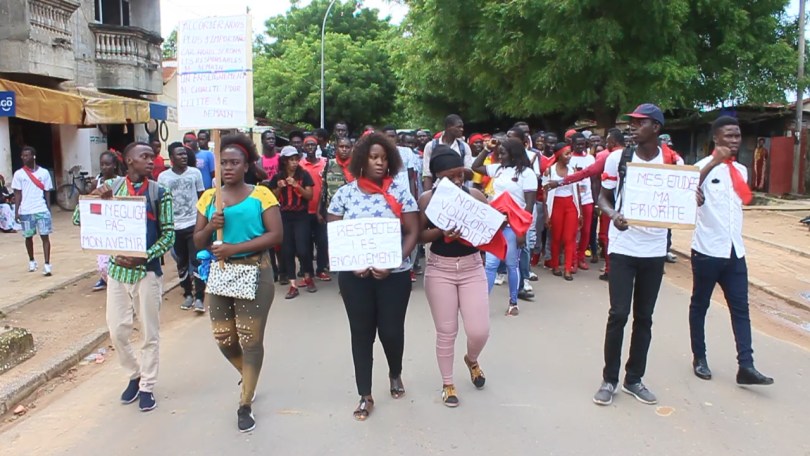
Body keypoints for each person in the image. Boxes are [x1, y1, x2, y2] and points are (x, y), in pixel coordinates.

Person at [73, 141, 175, 412]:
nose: (151, 161)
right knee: (117, 330)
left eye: (152, 157)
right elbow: (79, 219)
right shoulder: (114, 188)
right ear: (129, 161)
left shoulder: (159, 192)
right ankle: (134, 373)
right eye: (144, 157)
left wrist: (145, 254)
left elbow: (169, 234)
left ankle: (147, 386)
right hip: (118, 272)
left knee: (149, 333)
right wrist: (96, 197)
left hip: (147, 272)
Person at [193, 133, 283, 432]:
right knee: (223, 338)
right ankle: (248, 373)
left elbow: (275, 236)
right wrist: (211, 226)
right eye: (223, 163)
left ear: (246, 165)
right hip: (221, 273)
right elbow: (197, 241)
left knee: (250, 338)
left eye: (234, 162)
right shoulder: (209, 197)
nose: (228, 168)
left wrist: (234, 248)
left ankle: (245, 403)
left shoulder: (262, 195)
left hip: (256, 270)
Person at [326, 132, 419, 421]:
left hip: (394, 275)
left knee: (391, 331)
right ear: (361, 160)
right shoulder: (344, 194)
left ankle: (395, 371)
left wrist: (393, 263)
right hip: (355, 278)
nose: (380, 163)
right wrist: (349, 263)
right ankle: (364, 394)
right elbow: (335, 234)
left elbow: (413, 232)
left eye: (384, 158)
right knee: (361, 334)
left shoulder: (400, 193)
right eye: (373, 157)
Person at [593, 104, 669, 407]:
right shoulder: (618, 158)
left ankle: (634, 378)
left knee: (645, 317)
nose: (633, 127)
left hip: (654, 248)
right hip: (623, 247)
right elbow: (603, 196)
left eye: (640, 123)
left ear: (657, 128)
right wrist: (613, 215)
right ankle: (609, 379)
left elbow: (681, 196)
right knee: (619, 314)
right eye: (632, 123)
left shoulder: (672, 161)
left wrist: (694, 196)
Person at [689, 116, 773, 386]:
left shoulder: (742, 171)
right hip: (707, 250)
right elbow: (686, 191)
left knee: (741, 308)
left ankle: (746, 366)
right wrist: (713, 163)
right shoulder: (700, 168)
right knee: (700, 305)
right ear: (716, 138)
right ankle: (699, 358)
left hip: (735, 251)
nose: (735, 141)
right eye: (729, 136)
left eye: (737, 136)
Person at [418, 146, 490, 407]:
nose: (458, 180)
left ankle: (471, 359)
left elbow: (490, 230)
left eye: (460, 174)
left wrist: (498, 224)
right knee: (446, 331)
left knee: (479, 331)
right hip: (440, 269)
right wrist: (441, 230)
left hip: (472, 267)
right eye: (451, 176)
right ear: (437, 176)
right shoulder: (427, 199)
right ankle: (448, 383)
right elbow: (419, 237)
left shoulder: (475, 195)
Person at [472, 137, 536, 316]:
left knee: (510, 265)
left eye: (503, 153)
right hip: (496, 223)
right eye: (498, 152)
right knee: (491, 265)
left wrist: (522, 231)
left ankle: (513, 302)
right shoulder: (499, 169)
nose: (499, 156)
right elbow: (475, 167)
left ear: (514, 154)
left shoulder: (527, 174)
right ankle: (482, 304)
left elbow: (529, 207)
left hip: (513, 225)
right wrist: (487, 149)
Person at [159, 142, 206, 312]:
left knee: (197, 260)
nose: (184, 157)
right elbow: (162, 202)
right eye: (179, 154)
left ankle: (200, 297)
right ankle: (187, 294)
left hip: (194, 224)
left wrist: (204, 222)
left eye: (185, 154)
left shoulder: (195, 173)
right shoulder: (163, 177)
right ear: (171, 158)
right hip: (174, 226)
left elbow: (202, 198)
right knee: (182, 262)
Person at [267, 146, 316, 298]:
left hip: (301, 215)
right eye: (291, 160)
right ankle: (292, 285)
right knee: (286, 250)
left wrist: (296, 186)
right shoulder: (278, 177)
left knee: (303, 248)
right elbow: (273, 198)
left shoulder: (304, 175)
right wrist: (279, 189)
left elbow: (309, 196)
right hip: (284, 216)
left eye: (296, 159)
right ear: (285, 161)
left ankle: (308, 277)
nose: (294, 163)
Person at [12, 146, 54, 275]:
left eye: (27, 155)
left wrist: (48, 208)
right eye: (23, 156)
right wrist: (16, 211)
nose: (24, 158)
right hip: (26, 211)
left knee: (44, 236)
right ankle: (32, 260)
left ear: (33, 157)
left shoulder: (44, 173)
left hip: (41, 209)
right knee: (28, 237)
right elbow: (17, 194)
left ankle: (47, 264)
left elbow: (47, 192)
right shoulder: (19, 174)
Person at [543, 143, 581, 281]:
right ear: (559, 156)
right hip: (556, 205)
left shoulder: (573, 170)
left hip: (570, 204)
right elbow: (545, 193)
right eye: (567, 154)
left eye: (570, 153)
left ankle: (567, 269)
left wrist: (580, 211)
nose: (570, 156)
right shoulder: (549, 171)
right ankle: (555, 266)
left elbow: (577, 191)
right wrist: (546, 214)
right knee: (556, 237)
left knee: (569, 238)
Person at [92, 150, 126, 291]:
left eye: (108, 164)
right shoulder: (97, 181)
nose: (104, 167)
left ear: (114, 165)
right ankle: (105, 278)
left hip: (116, 224)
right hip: (102, 224)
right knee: (102, 261)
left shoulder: (121, 182)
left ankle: (115, 282)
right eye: (102, 164)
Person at [300, 136, 331, 281]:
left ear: (317, 147)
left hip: (321, 210)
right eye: (308, 145)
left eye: (313, 145)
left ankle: (321, 269)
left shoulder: (325, 163)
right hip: (304, 210)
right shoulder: (300, 165)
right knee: (305, 243)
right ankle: (307, 271)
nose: (310, 147)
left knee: (322, 241)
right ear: (304, 148)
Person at [422, 115, 474, 189]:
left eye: (462, 127)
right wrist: (428, 196)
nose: (462, 129)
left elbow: (469, 174)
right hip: (438, 190)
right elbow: (427, 175)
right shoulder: (431, 146)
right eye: (458, 127)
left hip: (459, 190)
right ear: (449, 126)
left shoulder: (464, 147)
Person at [568, 133, 596, 271]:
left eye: (582, 144)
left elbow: (595, 180)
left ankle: (581, 258)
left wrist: (596, 200)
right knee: (573, 231)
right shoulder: (569, 158)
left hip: (587, 199)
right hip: (573, 199)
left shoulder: (590, 158)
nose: (580, 146)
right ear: (572, 144)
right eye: (577, 144)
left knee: (586, 231)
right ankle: (572, 260)